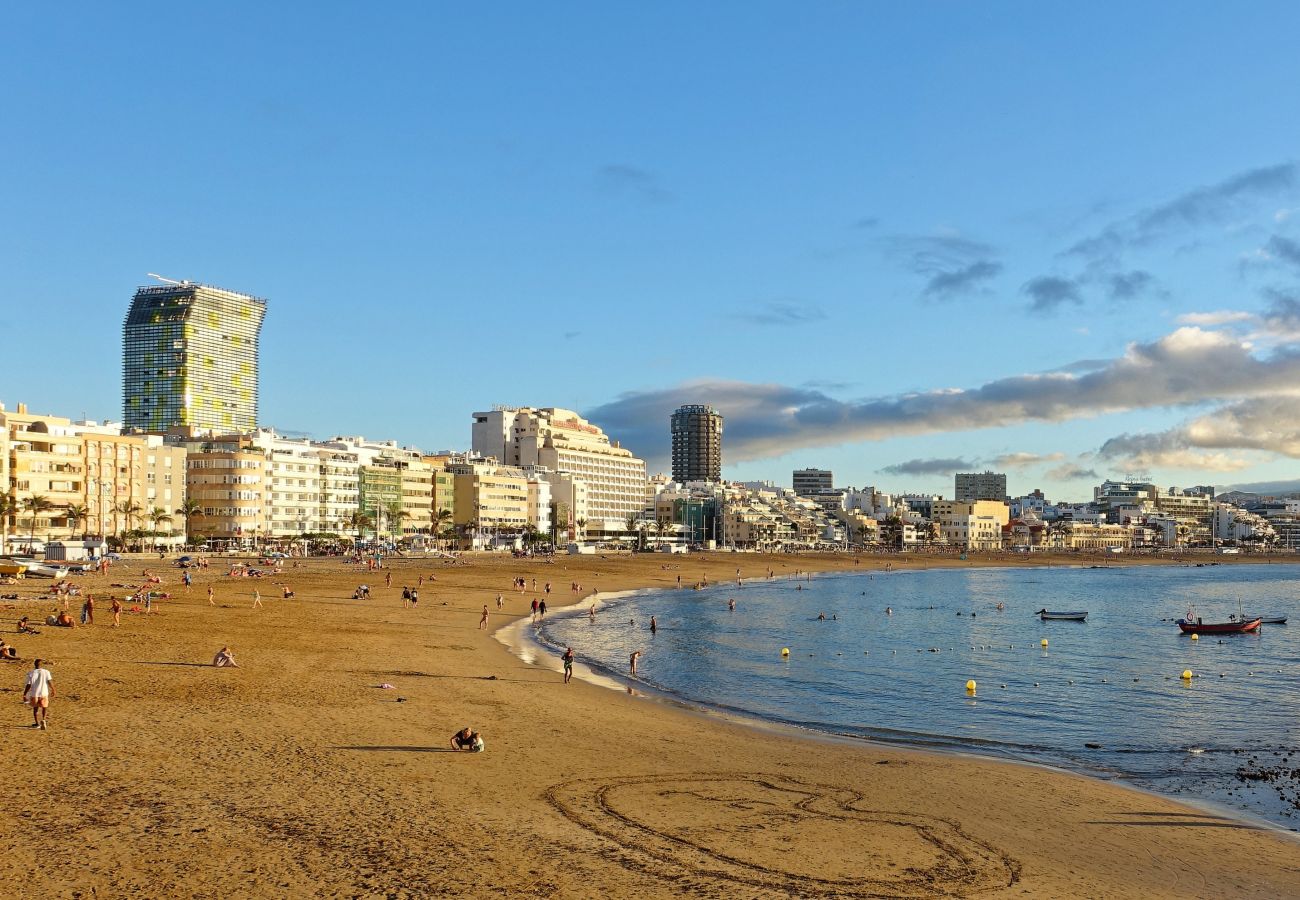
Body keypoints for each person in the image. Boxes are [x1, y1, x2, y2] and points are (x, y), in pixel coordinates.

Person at [23, 658, 53, 730]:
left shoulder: (31, 673)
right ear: (41, 665)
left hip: (34, 693)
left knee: (35, 709)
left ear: (34, 664)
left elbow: (28, 685)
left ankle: (37, 723)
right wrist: (53, 689)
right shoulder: (46, 672)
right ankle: (43, 719)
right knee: (44, 707)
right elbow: (49, 682)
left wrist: (25, 693)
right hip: (44, 692)